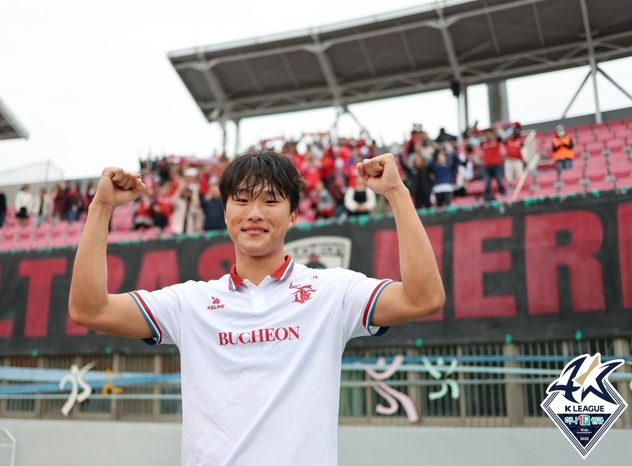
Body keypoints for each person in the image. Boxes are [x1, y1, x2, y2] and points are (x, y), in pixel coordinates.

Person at [68, 150, 444, 465]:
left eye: (271, 201)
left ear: (293, 214)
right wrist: (101, 207)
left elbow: (423, 298)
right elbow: (90, 310)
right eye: (242, 200)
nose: (254, 213)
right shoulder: (189, 303)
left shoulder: (332, 291)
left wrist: (396, 193)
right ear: (225, 211)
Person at [480, 128, 506, 200]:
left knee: (500, 181)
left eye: (488, 133)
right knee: (487, 183)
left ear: (491, 134)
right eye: (486, 134)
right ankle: (488, 198)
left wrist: (499, 131)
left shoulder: (497, 140)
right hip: (487, 166)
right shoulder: (483, 143)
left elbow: (503, 137)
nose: (487, 135)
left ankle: (503, 196)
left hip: (497, 164)